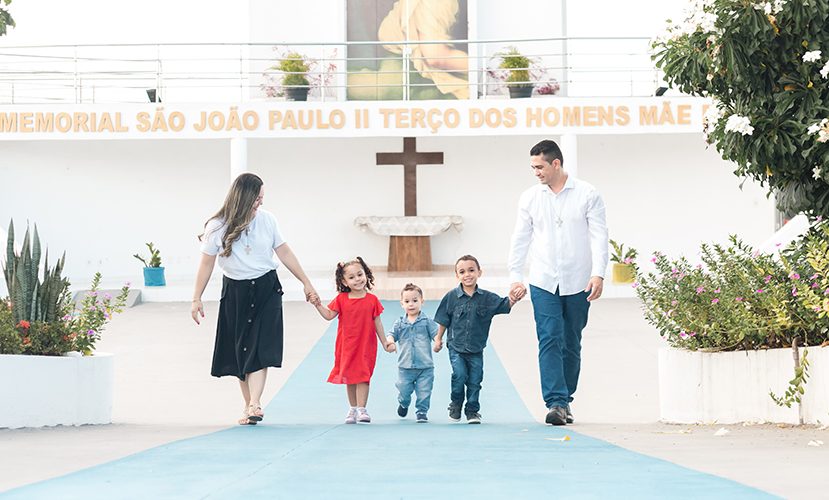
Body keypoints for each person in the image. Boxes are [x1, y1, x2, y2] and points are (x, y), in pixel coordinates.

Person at [190, 173, 318, 426]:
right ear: (243, 197)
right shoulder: (217, 225)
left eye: (262, 197)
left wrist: (306, 282)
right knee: (242, 349)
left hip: (266, 288)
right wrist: (196, 297)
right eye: (257, 198)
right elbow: (206, 263)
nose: (260, 202)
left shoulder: (267, 219)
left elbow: (284, 251)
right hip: (235, 291)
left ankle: (255, 403)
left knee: (260, 346)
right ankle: (250, 406)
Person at [507, 139, 609, 426]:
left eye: (539, 167)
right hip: (543, 280)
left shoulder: (588, 194)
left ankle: (566, 399)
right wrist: (515, 276)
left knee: (571, 341)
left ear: (556, 163)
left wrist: (598, 273)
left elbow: (599, 235)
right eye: (532, 167)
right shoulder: (529, 198)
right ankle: (555, 402)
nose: (536, 172)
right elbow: (520, 238)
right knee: (549, 337)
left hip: (579, 281)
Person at [434, 255, 518, 424]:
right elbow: (444, 319)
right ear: (457, 275)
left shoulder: (487, 298)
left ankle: (472, 411)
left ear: (479, 272)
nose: (467, 275)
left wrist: (514, 298)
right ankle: (455, 404)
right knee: (459, 375)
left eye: (471, 270)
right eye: (462, 272)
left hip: (476, 349)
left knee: (475, 380)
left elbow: (504, 304)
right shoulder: (451, 297)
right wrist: (438, 339)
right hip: (456, 347)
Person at [310, 257, 395, 424]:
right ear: (344, 281)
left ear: (366, 275)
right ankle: (353, 408)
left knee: (363, 375)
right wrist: (317, 304)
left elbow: (377, 323)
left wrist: (385, 342)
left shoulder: (372, 300)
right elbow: (329, 315)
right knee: (349, 377)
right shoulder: (341, 299)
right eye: (351, 277)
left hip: (366, 345)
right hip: (347, 346)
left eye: (360, 274)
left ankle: (362, 409)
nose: (357, 279)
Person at [386, 283, 440, 423]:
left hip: (425, 367)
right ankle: (404, 403)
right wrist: (390, 342)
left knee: (424, 392)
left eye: (415, 300)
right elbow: (391, 334)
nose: (411, 304)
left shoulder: (427, 322)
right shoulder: (400, 323)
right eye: (407, 301)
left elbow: (436, 334)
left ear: (422, 301)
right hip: (405, 367)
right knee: (404, 390)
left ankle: (422, 411)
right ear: (402, 304)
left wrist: (437, 342)